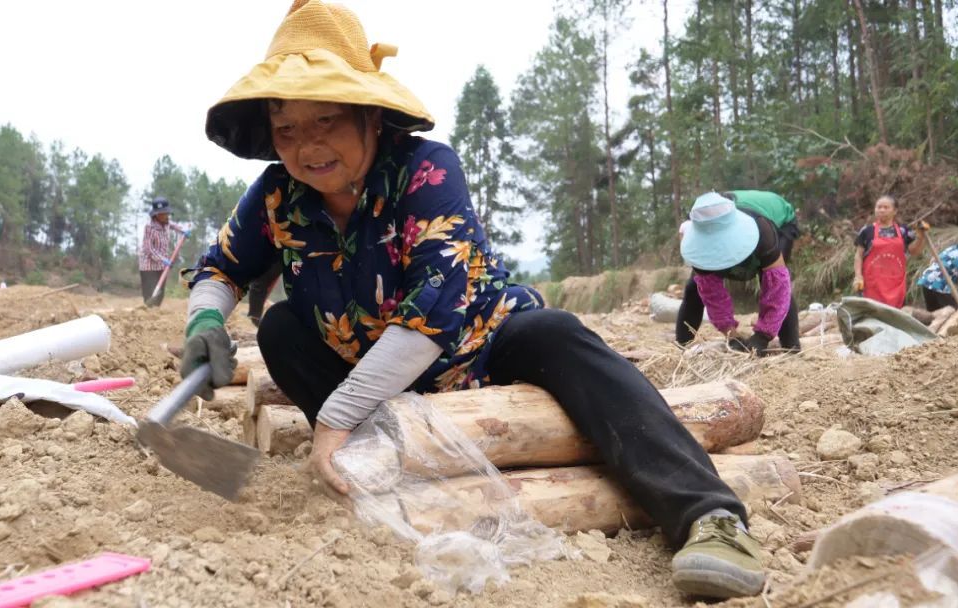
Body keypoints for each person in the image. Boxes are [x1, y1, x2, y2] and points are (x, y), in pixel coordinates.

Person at [179, 0, 766, 598]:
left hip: (479, 349)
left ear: (371, 116)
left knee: (556, 333)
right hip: (377, 381)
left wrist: (334, 418)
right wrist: (204, 319)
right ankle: (381, 471)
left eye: (326, 120)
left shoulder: (424, 171)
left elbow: (429, 318)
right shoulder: (280, 194)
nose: (307, 146)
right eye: (288, 129)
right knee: (280, 329)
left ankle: (708, 517)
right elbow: (222, 266)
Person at [676, 191, 801, 356]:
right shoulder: (701, 234)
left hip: (780, 221)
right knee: (694, 287)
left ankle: (791, 348)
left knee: (772, 282)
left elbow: (778, 288)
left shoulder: (763, 232)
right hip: (729, 217)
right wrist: (731, 336)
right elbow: (711, 294)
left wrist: (762, 337)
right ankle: (682, 346)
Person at [852, 195, 924, 308]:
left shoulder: (903, 231)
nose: (881, 210)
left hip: (896, 284)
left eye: (886, 207)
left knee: (895, 317)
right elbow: (858, 255)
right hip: (872, 284)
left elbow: (914, 252)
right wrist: (858, 276)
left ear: (895, 211)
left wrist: (921, 236)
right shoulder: (867, 231)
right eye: (879, 207)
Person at [138, 197, 187, 307]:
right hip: (148, 267)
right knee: (150, 294)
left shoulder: (167, 223)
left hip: (161, 266)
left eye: (166, 213)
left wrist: (183, 230)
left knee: (160, 295)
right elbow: (148, 249)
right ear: (157, 215)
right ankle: (147, 312)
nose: (166, 216)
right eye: (163, 214)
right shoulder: (149, 227)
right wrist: (163, 259)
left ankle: (155, 313)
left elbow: (175, 226)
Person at [916, 239, 958, 311]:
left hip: (927, 280)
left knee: (934, 315)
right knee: (953, 314)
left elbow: (933, 261)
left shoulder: (953, 248)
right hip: (939, 285)